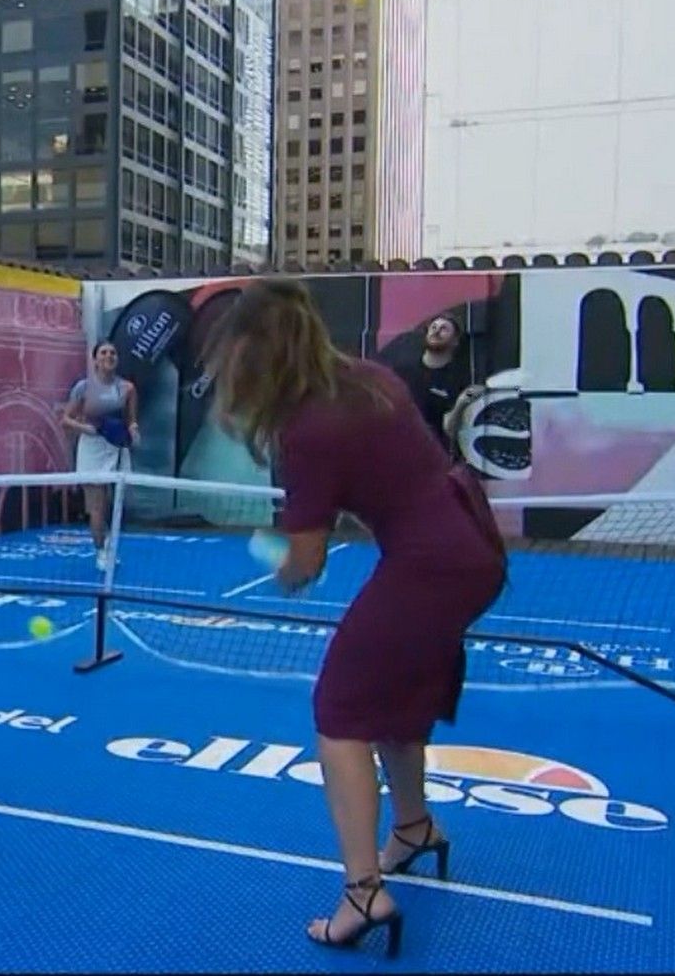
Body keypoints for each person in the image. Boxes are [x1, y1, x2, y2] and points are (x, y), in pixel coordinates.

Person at [207, 279, 506, 957]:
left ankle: (364, 892)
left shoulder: (307, 428)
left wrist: (279, 559)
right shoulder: (368, 379)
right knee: (396, 697)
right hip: (471, 544)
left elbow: (306, 563)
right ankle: (414, 827)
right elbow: (386, 480)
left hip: (430, 565)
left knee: (340, 712)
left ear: (256, 352)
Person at [61, 342, 139, 570]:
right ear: (95, 360)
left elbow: (131, 419)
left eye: (113, 352)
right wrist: (86, 429)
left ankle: (111, 546)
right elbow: (66, 419)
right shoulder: (83, 388)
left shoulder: (127, 389)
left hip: (117, 448)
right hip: (92, 449)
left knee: (116, 503)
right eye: (103, 353)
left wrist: (133, 430)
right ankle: (101, 552)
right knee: (97, 505)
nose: (108, 356)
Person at [393, 314, 473, 451]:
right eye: (433, 327)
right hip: (402, 449)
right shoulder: (403, 372)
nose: (436, 332)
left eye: (443, 329)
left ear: (455, 341)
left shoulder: (458, 380)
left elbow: (450, 429)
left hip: (436, 452)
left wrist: (461, 404)